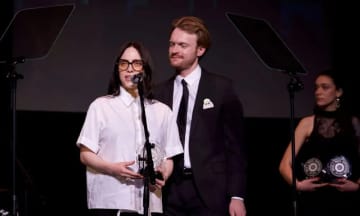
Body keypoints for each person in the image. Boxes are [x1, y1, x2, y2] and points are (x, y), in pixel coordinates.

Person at [153, 16, 247, 216]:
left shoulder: (221, 88)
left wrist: (237, 196)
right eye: (172, 44)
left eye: (182, 45)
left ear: (200, 50)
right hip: (169, 190)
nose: (174, 50)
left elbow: (235, 147)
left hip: (209, 191)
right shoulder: (159, 92)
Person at [76, 41, 183, 216]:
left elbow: (169, 156)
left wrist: (164, 172)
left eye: (137, 63)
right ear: (117, 68)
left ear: (145, 69)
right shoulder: (101, 106)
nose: (129, 69)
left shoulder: (162, 111)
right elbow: (85, 154)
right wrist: (112, 168)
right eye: (124, 63)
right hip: (110, 200)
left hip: (150, 204)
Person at [279, 69, 360, 216]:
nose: (318, 92)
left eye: (325, 87)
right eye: (316, 87)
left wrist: (357, 186)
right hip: (314, 200)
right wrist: (298, 185)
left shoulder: (353, 123)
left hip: (346, 200)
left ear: (338, 92)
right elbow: (284, 164)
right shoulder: (307, 123)